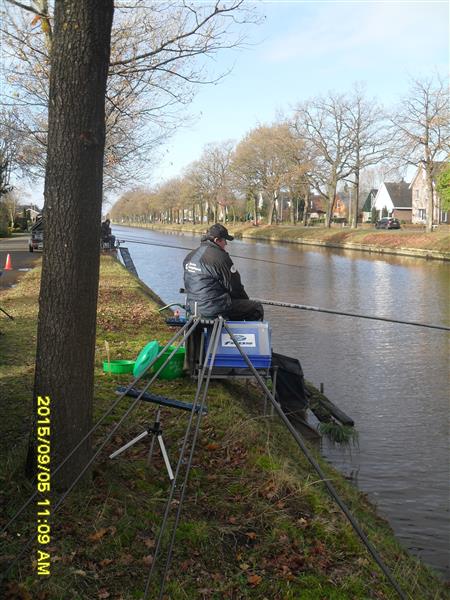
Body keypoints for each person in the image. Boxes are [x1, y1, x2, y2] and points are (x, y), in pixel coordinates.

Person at [183, 223, 264, 321]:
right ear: (217, 240)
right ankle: (238, 331)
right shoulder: (221, 258)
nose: (226, 244)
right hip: (214, 309)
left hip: (192, 307)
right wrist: (246, 302)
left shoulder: (190, 256)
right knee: (256, 308)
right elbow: (235, 288)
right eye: (225, 240)